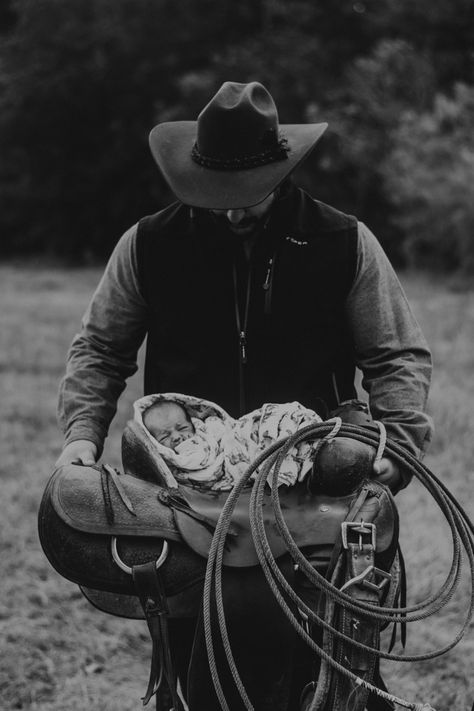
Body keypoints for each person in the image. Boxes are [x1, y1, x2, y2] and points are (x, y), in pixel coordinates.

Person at [55, 81, 433, 709]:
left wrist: (400, 445)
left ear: (280, 171)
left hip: (310, 464)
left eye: (248, 196)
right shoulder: (149, 243)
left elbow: (395, 356)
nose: (232, 212)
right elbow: (99, 348)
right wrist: (81, 440)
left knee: (329, 646)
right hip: (182, 472)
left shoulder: (344, 242)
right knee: (186, 622)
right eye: (216, 197)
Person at [135, 392, 322, 490]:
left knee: (271, 424)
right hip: (215, 476)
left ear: (193, 423)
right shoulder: (169, 460)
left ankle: (282, 438)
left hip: (233, 446)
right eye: (164, 437)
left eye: (182, 428)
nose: (176, 436)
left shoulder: (210, 431)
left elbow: (230, 435)